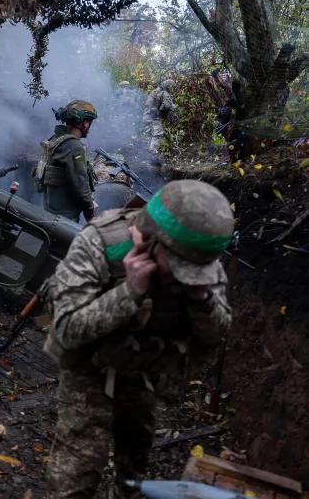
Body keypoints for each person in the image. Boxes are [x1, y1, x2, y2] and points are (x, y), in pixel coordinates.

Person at [43, 179, 234, 499]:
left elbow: (218, 331)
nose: (182, 275)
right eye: (177, 267)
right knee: (76, 471)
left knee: (135, 459)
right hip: (90, 369)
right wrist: (129, 291)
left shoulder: (198, 252)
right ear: (149, 240)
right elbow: (66, 328)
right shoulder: (98, 243)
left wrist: (201, 298)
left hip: (146, 374)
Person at [33, 100, 98, 221]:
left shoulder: (56, 139)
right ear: (84, 123)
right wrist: (90, 212)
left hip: (50, 210)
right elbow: (81, 185)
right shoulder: (74, 146)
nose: (89, 126)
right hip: (64, 218)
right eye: (90, 121)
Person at [142, 79, 178, 153]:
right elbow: (167, 106)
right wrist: (174, 107)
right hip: (154, 117)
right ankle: (152, 153)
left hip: (146, 115)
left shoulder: (154, 91)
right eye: (172, 87)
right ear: (168, 86)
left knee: (149, 135)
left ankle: (144, 153)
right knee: (158, 134)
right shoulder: (165, 93)